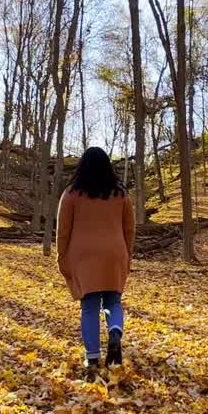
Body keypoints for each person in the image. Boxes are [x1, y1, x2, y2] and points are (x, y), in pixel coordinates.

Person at [56, 147, 136, 373]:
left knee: (90, 307)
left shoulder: (71, 193)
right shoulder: (121, 194)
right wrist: (127, 254)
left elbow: (63, 231)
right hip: (114, 253)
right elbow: (129, 229)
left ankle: (92, 358)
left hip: (83, 256)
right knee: (113, 302)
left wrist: (61, 256)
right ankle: (114, 332)